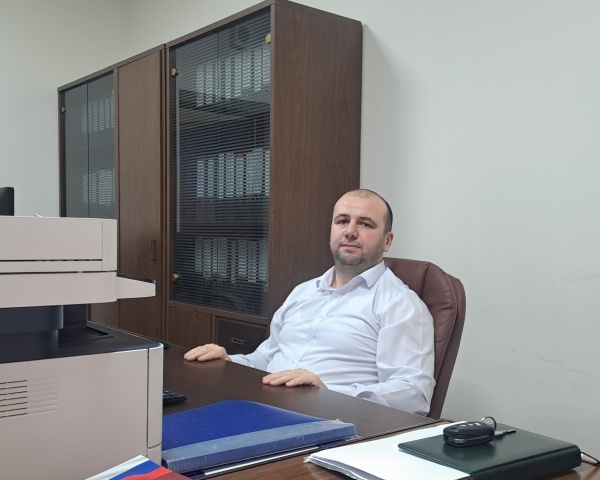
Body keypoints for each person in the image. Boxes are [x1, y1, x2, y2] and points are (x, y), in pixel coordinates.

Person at [184, 189, 435, 415]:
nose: (350, 231)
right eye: (342, 221)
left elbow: (413, 395)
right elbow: (267, 358)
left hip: (334, 423)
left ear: (387, 241)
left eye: (365, 224)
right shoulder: (303, 292)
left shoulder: (399, 304)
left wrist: (326, 392)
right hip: (264, 407)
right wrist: (229, 362)